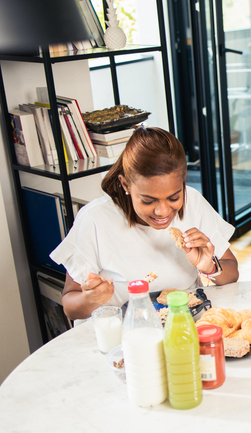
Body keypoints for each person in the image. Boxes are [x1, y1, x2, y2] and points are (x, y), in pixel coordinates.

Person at [51, 127, 239, 320]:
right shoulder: (95, 218)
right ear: (125, 185)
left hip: (183, 327)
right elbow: (70, 308)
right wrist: (92, 299)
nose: (162, 211)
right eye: (148, 201)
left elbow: (232, 272)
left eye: (174, 197)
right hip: (123, 334)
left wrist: (209, 267)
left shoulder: (194, 202)